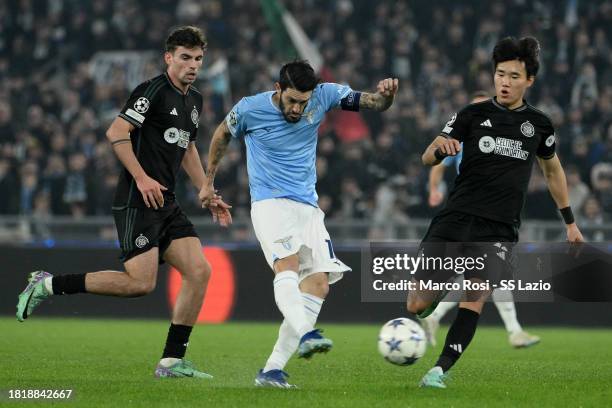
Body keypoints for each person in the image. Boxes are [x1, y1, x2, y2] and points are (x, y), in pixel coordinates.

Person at [16, 26, 232, 379]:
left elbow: (187, 146)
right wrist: (142, 177)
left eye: (198, 59)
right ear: (169, 58)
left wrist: (204, 187)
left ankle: (172, 361)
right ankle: (46, 285)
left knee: (199, 271)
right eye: (185, 58)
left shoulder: (194, 100)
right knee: (139, 284)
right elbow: (116, 132)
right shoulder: (151, 91)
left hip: (167, 201)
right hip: (137, 199)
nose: (192, 65)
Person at [200, 60, 398, 388]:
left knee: (318, 283)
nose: (297, 108)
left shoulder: (324, 96)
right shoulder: (249, 108)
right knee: (287, 267)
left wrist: (386, 96)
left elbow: (374, 103)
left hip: (308, 207)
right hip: (269, 204)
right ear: (278, 89)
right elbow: (222, 133)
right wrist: (208, 182)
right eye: (292, 100)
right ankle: (307, 332)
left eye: (303, 103)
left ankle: (272, 371)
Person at [408, 37, 584, 389]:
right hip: (456, 217)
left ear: (529, 80)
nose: (505, 82)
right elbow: (427, 157)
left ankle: (439, 370)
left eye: (514, 76)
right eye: (500, 74)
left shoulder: (539, 125)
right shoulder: (471, 114)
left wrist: (570, 222)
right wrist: (439, 150)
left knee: (474, 299)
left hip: (499, 228)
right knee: (416, 303)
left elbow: (553, 172)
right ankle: (433, 302)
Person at [424, 91, 540, 349]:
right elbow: (437, 163)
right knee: (484, 276)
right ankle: (514, 331)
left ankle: (511, 330)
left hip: (493, 213)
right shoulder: (463, 138)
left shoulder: (501, 138)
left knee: (483, 278)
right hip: (469, 213)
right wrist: (434, 189)